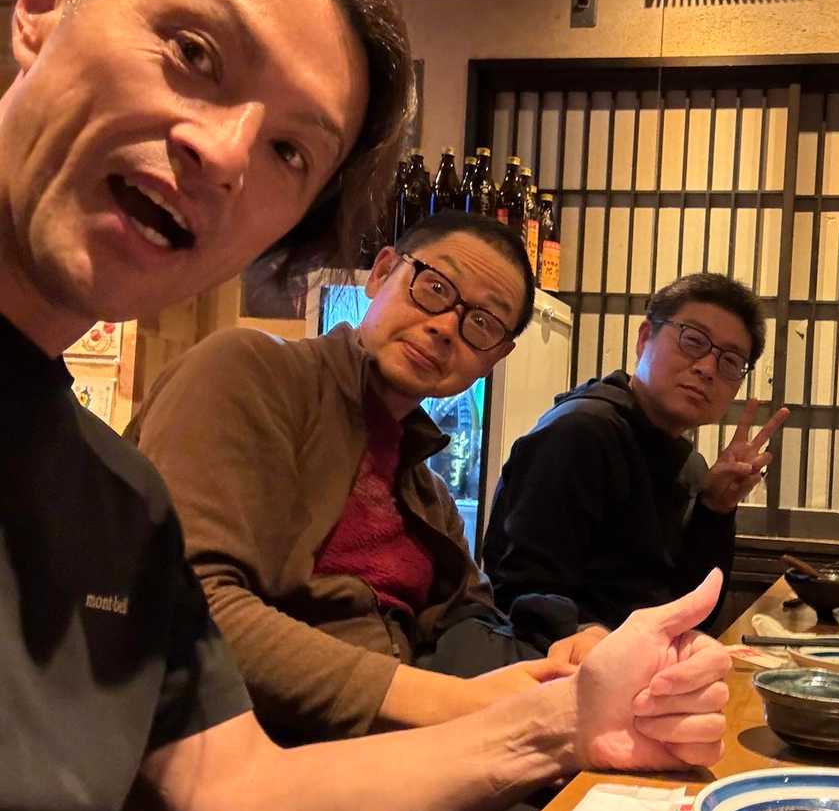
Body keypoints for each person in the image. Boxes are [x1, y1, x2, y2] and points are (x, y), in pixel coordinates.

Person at [0, 0, 730, 811]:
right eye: (196, 53)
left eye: (293, 152)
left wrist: (560, 718)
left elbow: (236, 790)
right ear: (42, 5)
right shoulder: (252, 373)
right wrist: (477, 710)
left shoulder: (118, 496)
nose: (227, 152)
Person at [129, 212, 603, 748]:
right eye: (434, 288)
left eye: (482, 323)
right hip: (246, 758)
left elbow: (470, 617)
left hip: (398, 756)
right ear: (381, 273)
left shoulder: (426, 492)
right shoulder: (246, 372)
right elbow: (189, 605)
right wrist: (452, 704)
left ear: (496, 357)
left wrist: (568, 643)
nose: (445, 327)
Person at [483, 272, 789, 650]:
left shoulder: (689, 463)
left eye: (729, 361)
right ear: (645, 338)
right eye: (693, 341)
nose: (707, 368)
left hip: (646, 667)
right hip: (562, 671)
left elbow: (689, 609)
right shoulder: (581, 432)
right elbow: (522, 596)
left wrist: (714, 509)